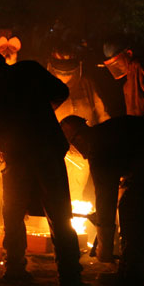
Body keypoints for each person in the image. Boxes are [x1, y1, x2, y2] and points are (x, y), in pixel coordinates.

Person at [0, 51, 87, 286]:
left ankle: (15, 269)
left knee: (13, 214)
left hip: (18, 158)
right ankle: (69, 277)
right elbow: (61, 92)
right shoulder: (29, 69)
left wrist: (4, 148)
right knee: (59, 213)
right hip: (49, 149)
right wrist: (42, 111)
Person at [60, 115, 144, 286]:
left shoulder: (97, 148)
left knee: (133, 208)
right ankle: (136, 271)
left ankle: (131, 274)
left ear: (78, 137)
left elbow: (105, 199)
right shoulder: (104, 133)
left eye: (74, 144)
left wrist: (105, 247)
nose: (77, 151)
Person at [47, 33, 110, 203]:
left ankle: (68, 228)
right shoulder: (46, 87)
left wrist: (106, 142)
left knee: (74, 196)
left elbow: (102, 114)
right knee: (55, 195)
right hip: (55, 152)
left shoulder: (87, 84)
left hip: (82, 153)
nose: (65, 76)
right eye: (61, 71)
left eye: (68, 70)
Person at [100, 37, 144, 118]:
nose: (117, 67)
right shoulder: (129, 78)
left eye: (117, 62)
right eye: (114, 65)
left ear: (129, 53)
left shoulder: (139, 67)